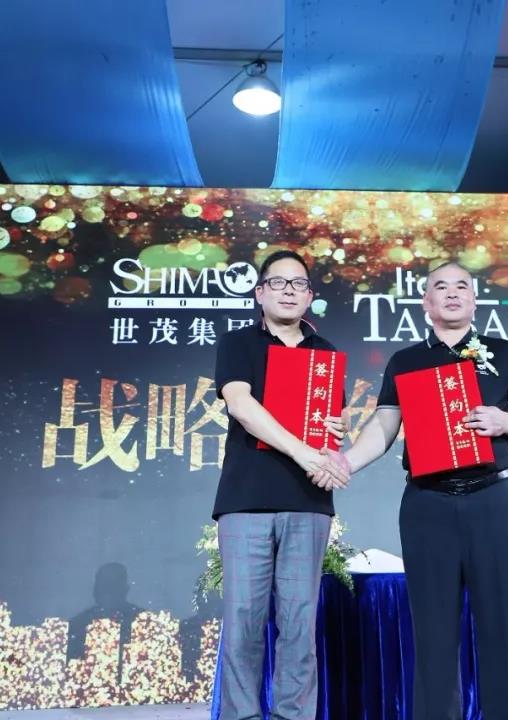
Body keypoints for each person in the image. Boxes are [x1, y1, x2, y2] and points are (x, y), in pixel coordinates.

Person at [326, 261, 508, 720]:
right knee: (433, 631)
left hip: (493, 500)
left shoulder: (503, 353)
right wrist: (345, 462)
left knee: (503, 627)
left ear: (474, 300)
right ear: (426, 302)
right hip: (427, 504)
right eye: (440, 287)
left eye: (461, 286)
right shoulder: (405, 361)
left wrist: (504, 421)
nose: (452, 293)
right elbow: (384, 427)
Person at [211, 249, 349, 720]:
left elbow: (330, 424)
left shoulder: (325, 353)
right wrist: (302, 450)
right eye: (279, 282)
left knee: (299, 624)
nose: (289, 291)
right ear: (259, 293)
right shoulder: (238, 343)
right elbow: (240, 404)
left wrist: (334, 433)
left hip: (307, 500)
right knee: (243, 622)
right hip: (246, 499)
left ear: (310, 296)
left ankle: (295, 715)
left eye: (299, 284)